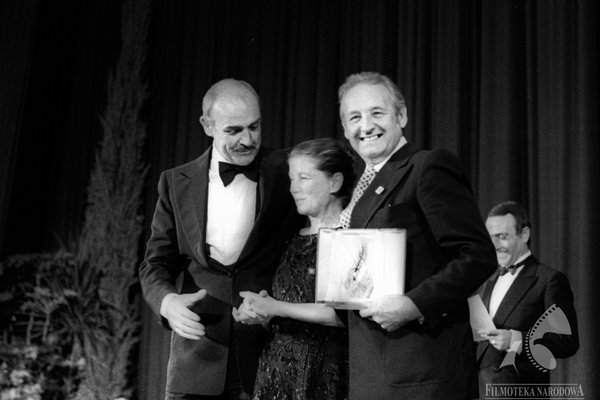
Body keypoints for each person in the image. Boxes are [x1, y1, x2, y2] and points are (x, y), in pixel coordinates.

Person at [138, 78, 303, 399]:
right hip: (196, 360)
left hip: (268, 357)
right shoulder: (175, 183)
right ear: (207, 125)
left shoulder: (287, 170)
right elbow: (155, 264)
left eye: (254, 127)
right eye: (234, 130)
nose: (247, 139)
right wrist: (167, 303)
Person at [337, 71, 497, 400]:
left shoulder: (426, 166)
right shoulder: (357, 188)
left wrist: (414, 304)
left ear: (402, 115)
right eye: (355, 117)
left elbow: (476, 255)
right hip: (371, 374)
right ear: (345, 129)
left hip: (421, 375)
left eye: (377, 113)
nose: (365, 126)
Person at [232, 138, 354, 400]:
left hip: (326, 376)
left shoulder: (351, 238)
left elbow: (342, 315)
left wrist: (276, 308)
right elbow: (281, 309)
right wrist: (260, 313)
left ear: (335, 182)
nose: (294, 188)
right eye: (291, 179)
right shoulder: (288, 239)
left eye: (304, 178)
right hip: (276, 375)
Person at [476, 201, 579, 398]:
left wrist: (516, 340)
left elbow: (567, 341)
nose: (495, 245)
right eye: (491, 238)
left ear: (524, 235)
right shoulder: (487, 281)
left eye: (502, 237)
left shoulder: (549, 280)